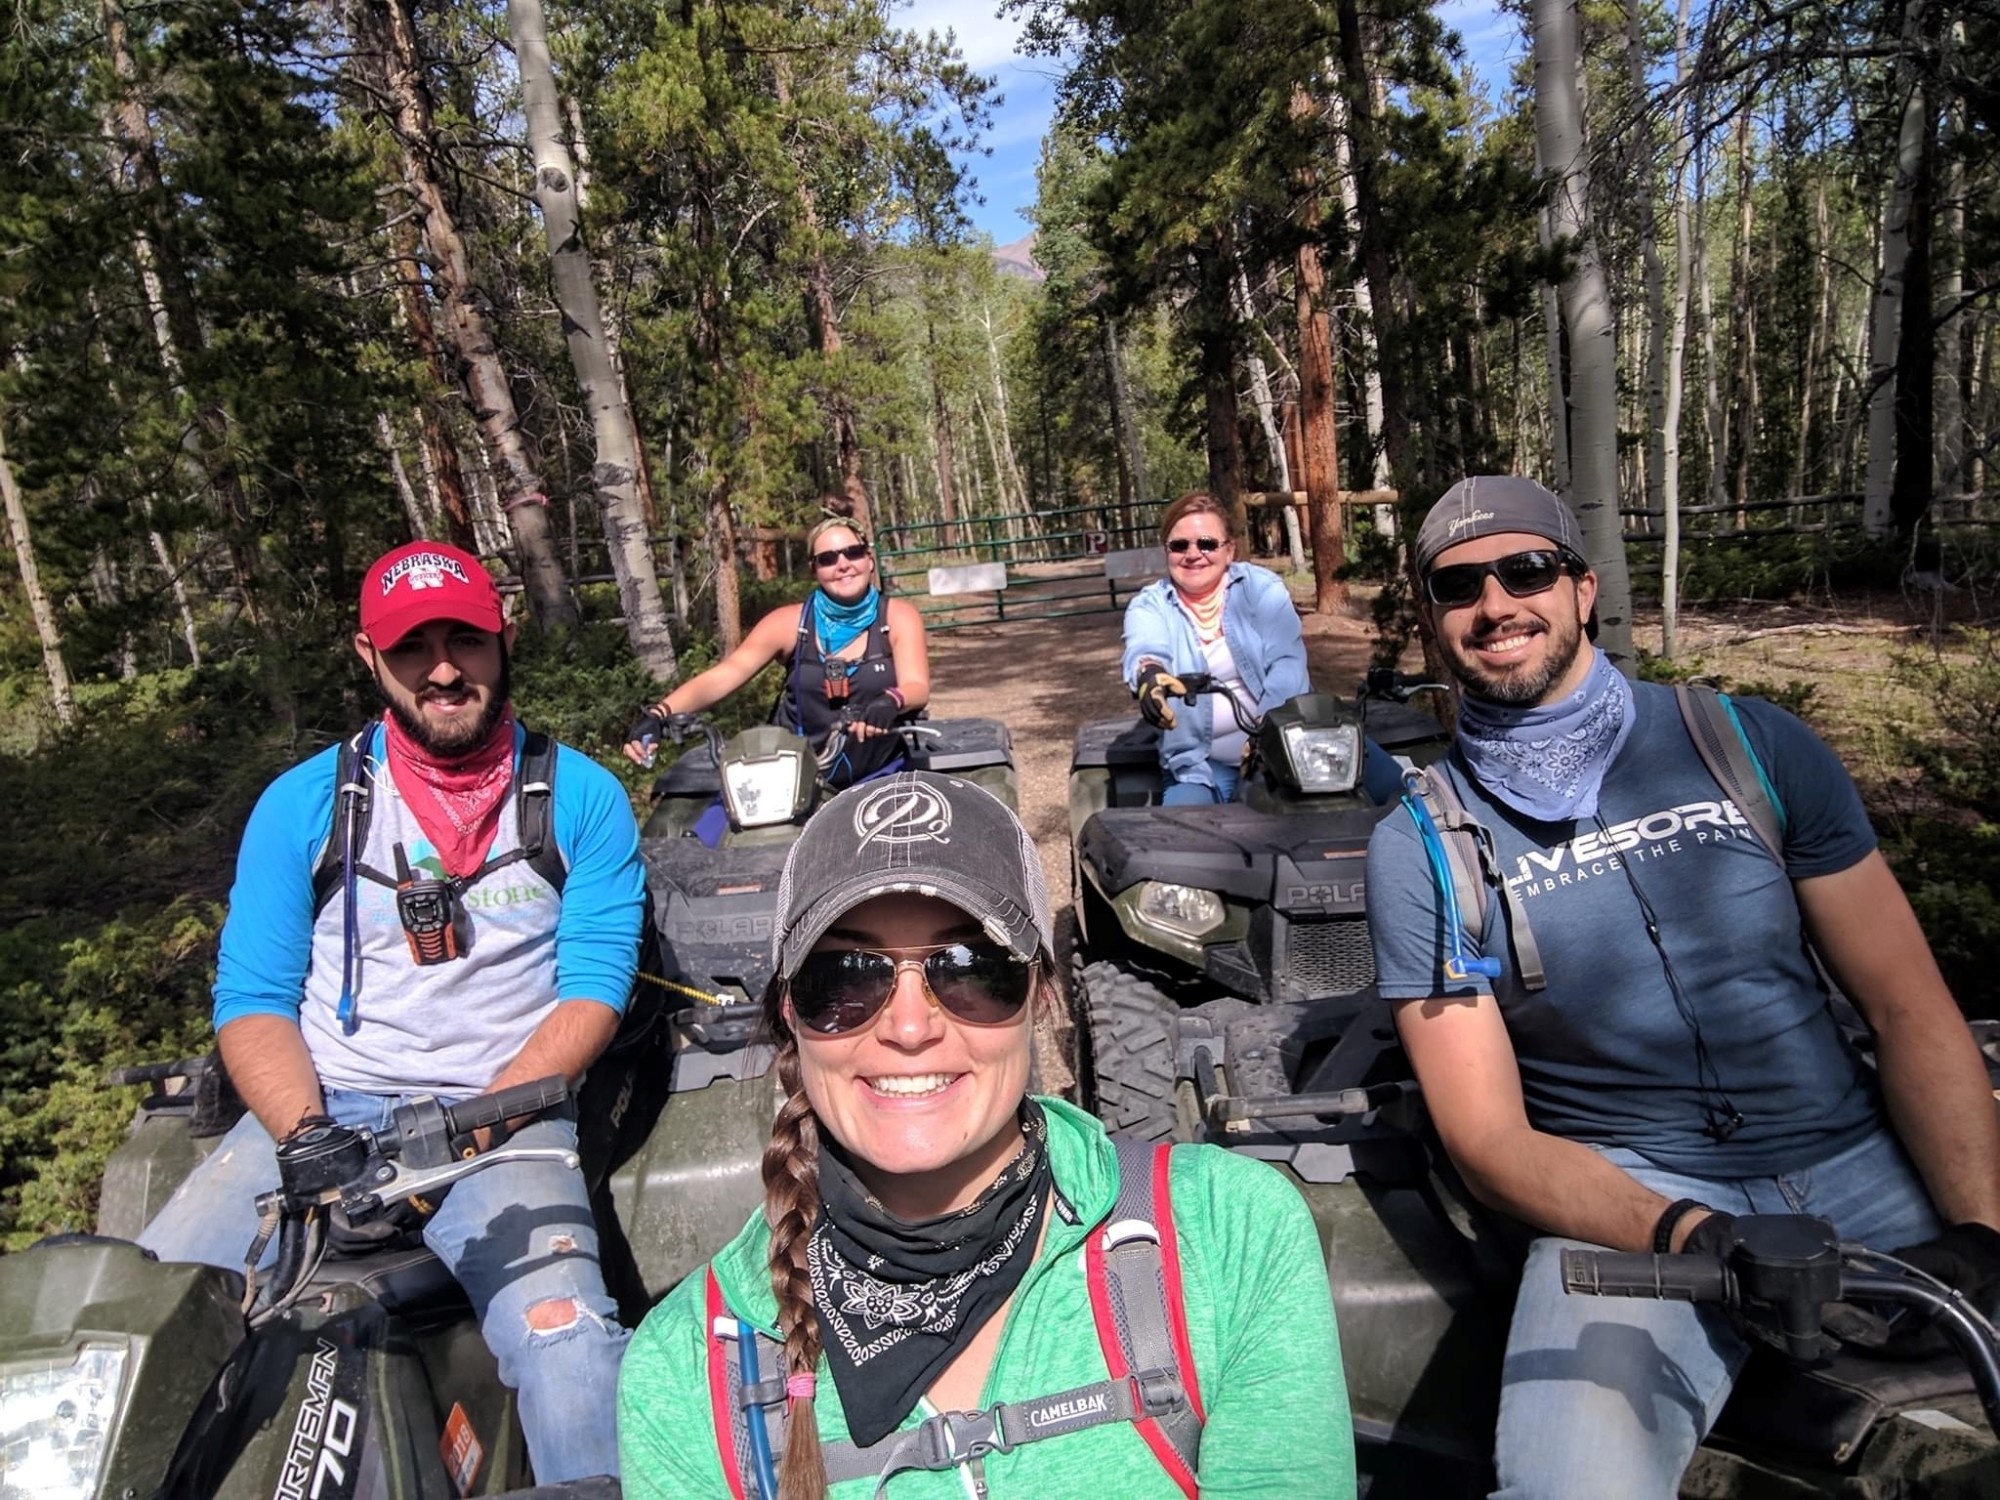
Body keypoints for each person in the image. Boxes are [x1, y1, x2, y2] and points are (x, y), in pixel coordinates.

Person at [1364, 476, 2000, 1499]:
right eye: (1456, 586)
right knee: (1569, 1486)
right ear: (1435, 622)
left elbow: (1905, 1007)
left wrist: (1978, 1228)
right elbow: (1486, 1140)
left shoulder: (1748, 743)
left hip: (1860, 1157)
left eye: (1524, 571)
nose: (1493, 605)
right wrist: (1693, 1235)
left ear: (1580, 588)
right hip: (1635, 1206)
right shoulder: (1420, 847)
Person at [618, 770, 1355, 1498]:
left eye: (971, 969)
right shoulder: (685, 1372)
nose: (909, 1027)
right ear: (790, 1010)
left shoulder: (1228, 1235)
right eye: (846, 977)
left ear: (1039, 994)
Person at [139, 541, 643, 1484]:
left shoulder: (580, 797)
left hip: (510, 1114)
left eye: (466, 640)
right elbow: (252, 1001)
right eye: (414, 647)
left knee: (571, 1350)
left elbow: (592, 992)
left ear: (502, 639)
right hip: (328, 1110)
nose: (444, 668)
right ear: (369, 657)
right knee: (146, 1319)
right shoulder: (303, 806)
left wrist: (478, 1126)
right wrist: (304, 1131)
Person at [624, 515, 930, 792]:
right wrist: (658, 714)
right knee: (708, 835)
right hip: (793, 779)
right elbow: (727, 674)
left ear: (869, 559)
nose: (843, 564)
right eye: (828, 558)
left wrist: (892, 700)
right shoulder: (789, 623)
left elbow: (916, 687)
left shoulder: (897, 617)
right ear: (814, 569)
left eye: (853, 553)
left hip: (882, 773)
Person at [1121, 492, 1308, 805]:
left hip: (1291, 749)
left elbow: (1287, 664)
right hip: (1199, 765)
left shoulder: (1261, 588)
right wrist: (1150, 676)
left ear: (1229, 550)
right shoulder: (1150, 605)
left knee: (1390, 791)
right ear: (1166, 552)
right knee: (1185, 839)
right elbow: (1145, 646)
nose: (1193, 554)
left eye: (1206, 543)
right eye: (1180, 545)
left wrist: (1266, 736)